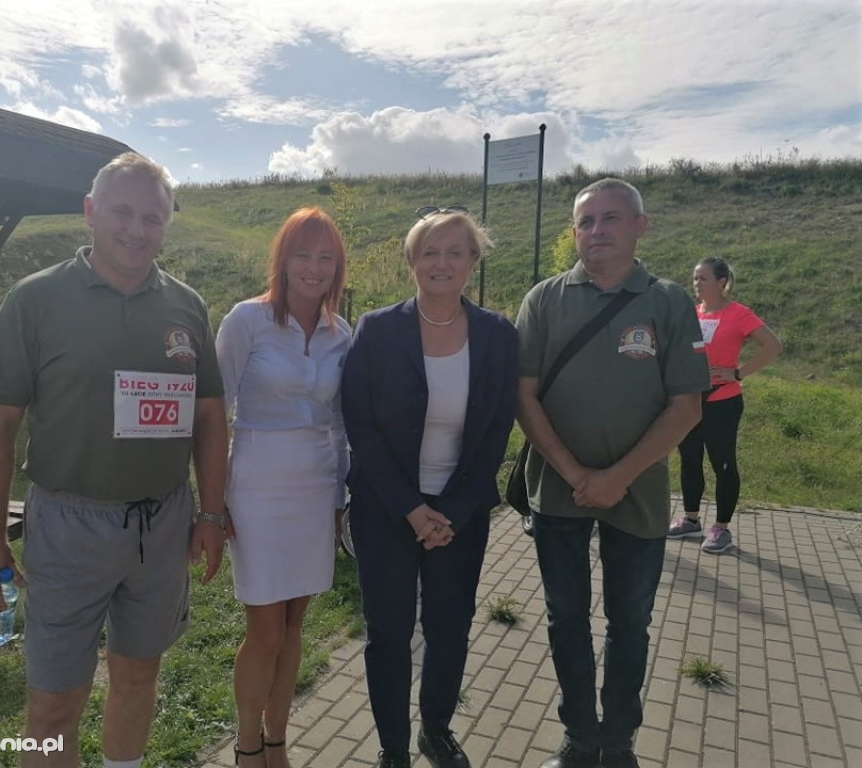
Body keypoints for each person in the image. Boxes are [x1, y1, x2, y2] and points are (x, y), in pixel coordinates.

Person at [0, 152, 229, 768]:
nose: (137, 229)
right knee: (53, 703)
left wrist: (211, 515)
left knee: (138, 678)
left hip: (162, 523)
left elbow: (210, 419)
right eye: (122, 212)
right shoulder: (36, 299)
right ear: (90, 212)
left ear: (167, 223)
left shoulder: (186, 306)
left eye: (152, 217)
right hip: (68, 525)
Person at [515, 178, 709, 768]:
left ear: (639, 226)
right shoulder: (544, 300)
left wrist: (618, 475)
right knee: (566, 620)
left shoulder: (668, 301)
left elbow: (687, 405)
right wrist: (576, 472)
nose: (596, 231)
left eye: (611, 218)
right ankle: (580, 738)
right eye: (586, 221)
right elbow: (523, 397)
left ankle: (619, 741)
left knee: (630, 623)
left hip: (639, 494)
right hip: (557, 491)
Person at [342, 206, 518, 768]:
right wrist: (412, 509)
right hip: (386, 509)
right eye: (430, 252)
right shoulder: (377, 329)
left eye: (455, 252)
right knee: (389, 632)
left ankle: (436, 731)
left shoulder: (497, 334)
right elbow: (359, 424)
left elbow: (498, 428)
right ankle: (393, 746)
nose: (442, 263)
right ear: (412, 261)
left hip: (459, 512)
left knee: (450, 627)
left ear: (473, 260)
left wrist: (454, 512)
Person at [216, 207, 350, 767]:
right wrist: (211, 500)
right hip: (258, 486)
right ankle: (247, 744)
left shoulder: (342, 334)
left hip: (316, 487)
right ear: (283, 259)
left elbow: (340, 422)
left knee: (296, 624)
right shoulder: (246, 321)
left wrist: (341, 497)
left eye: (325, 257)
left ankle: (277, 740)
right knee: (266, 628)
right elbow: (214, 414)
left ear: (337, 267)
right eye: (303, 254)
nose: (314, 267)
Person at [668, 257, 782, 554]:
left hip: (722, 401)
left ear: (722, 282)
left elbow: (773, 346)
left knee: (723, 463)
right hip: (691, 399)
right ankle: (691, 520)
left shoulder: (738, 313)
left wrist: (738, 373)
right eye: (695, 278)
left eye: (703, 278)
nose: (697, 283)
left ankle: (721, 529)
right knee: (690, 459)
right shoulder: (693, 314)